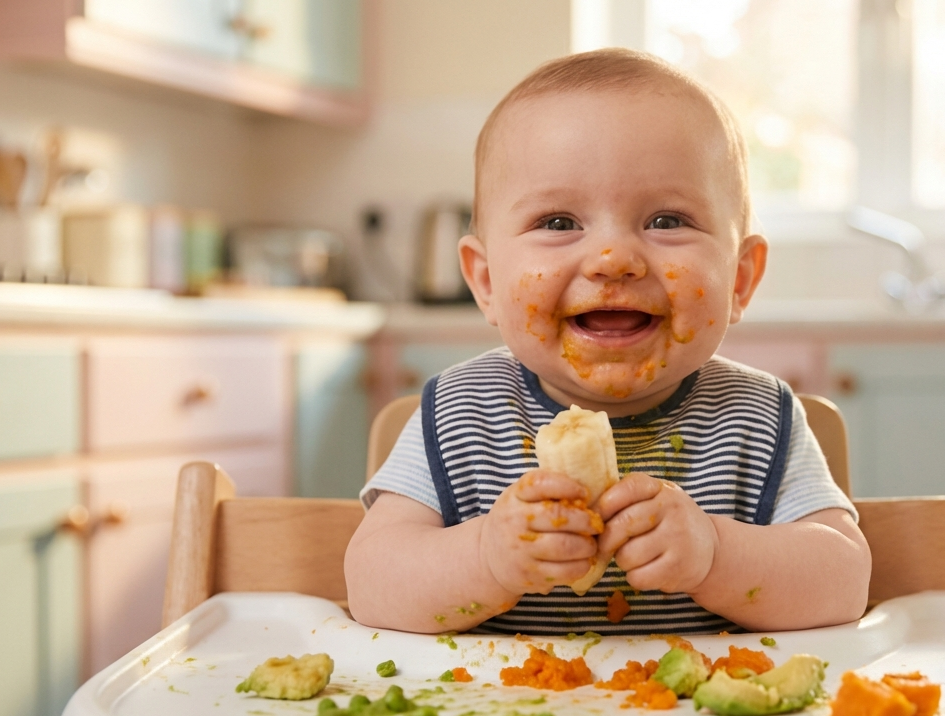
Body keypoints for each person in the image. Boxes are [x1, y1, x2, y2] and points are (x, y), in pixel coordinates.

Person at [345, 48, 870, 635]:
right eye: (559, 222)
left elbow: (843, 582)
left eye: (667, 221)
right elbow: (371, 584)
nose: (613, 259)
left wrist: (716, 554)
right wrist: (486, 560)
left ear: (741, 278)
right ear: (487, 281)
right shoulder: (457, 414)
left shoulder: (758, 419)